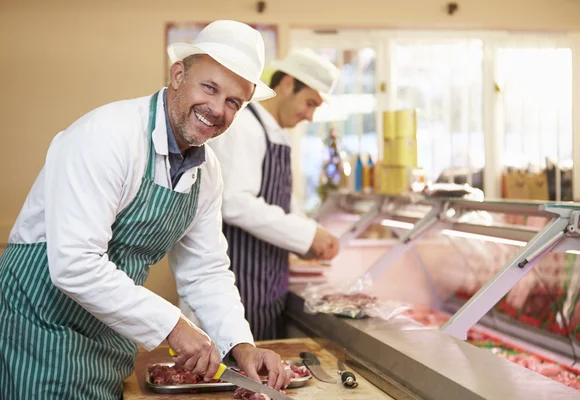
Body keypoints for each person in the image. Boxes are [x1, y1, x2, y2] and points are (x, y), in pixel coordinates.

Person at [0, 20, 292, 400]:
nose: (218, 109)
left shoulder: (208, 172)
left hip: (106, 334)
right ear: (177, 75)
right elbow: (74, 263)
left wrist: (241, 345)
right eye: (210, 87)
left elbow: (204, 271)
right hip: (38, 322)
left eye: (234, 102)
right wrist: (174, 325)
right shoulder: (107, 135)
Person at [206, 49, 341, 340]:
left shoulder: (276, 132)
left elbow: (280, 198)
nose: (310, 115)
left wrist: (310, 234)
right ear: (288, 84)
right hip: (240, 284)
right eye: (310, 103)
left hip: (267, 284)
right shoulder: (245, 126)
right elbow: (234, 203)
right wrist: (305, 234)